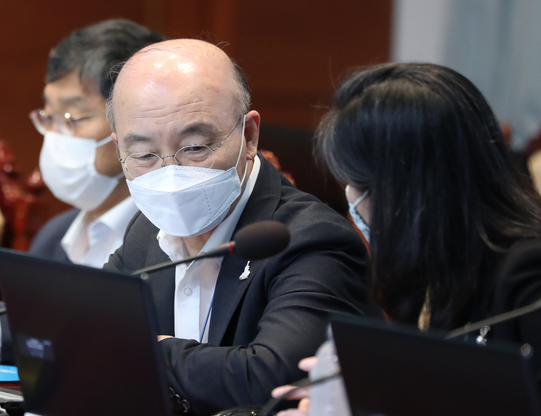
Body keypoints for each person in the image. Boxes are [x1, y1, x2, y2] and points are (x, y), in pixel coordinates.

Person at [104, 38, 369, 415]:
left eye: (195, 147)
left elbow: (270, 379)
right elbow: (90, 330)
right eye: (144, 155)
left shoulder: (311, 240)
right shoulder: (146, 231)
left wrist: (147, 347)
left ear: (249, 135)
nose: (170, 175)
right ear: (118, 147)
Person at [273, 62, 541, 415]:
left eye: (359, 186)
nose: (352, 200)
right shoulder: (432, 269)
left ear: (408, 190)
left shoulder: (526, 271)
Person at [0, 19, 164, 362]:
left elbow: (123, 344)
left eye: (72, 116)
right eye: (48, 115)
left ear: (137, 121)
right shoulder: (55, 236)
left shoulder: (175, 241)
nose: (54, 135)